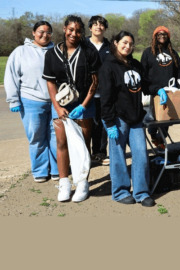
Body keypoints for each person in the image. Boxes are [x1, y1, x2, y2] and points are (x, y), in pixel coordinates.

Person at [99, 31, 167, 207]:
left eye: (130, 44)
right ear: (115, 43)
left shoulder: (135, 64)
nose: (127, 46)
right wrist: (109, 123)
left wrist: (158, 89)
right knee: (118, 157)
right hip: (117, 119)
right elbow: (105, 97)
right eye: (124, 42)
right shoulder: (108, 66)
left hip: (136, 118)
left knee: (141, 155)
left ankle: (141, 192)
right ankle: (120, 192)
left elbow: (146, 84)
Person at [43, 15, 100, 202]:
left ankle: (82, 183)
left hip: (84, 105)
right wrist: (57, 107)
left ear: (82, 31)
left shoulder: (89, 51)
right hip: (61, 104)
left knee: (83, 145)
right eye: (71, 29)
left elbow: (95, 82)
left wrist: (84, 105)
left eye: (77, 30)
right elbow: (50, 83)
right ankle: (64, 183)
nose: (74, 33)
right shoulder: (52, 54)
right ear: (64, 29)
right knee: (61, 143)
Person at [4, 21, 59, 183]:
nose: (45, 35)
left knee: (56, 137)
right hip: (31, 101)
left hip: (56, 102)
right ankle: (40, 170)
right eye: (41, 31)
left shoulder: (56, 51)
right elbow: (11, 76)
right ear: (34, 33)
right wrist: (13, 100)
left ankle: (57, 169)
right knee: (36, 137)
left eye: (48, 32)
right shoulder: (21, 52)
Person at [141, 26, 180, 148]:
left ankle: (161, 139)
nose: (162, 36)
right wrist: (150, 87)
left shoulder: (173, 53)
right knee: (154, 117)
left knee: (167, 118)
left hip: (169, 90)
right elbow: (143, 72)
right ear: (154, 37)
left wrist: (179, 88)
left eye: (165, 34)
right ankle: (153, 135)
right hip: (154, 90)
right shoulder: (148, 52)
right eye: (159, 34)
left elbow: (178, 71)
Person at [86, 15, 110, 166]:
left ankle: (100, 152)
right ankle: (85, 155)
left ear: (105, 28)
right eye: (95, 24)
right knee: (87, 125)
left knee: (102, 124)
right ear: (90, 28)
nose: (98, 27)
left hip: (105, 92)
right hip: (86, 93)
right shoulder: (83, 44)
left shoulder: (110, 46)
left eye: (101, 25)